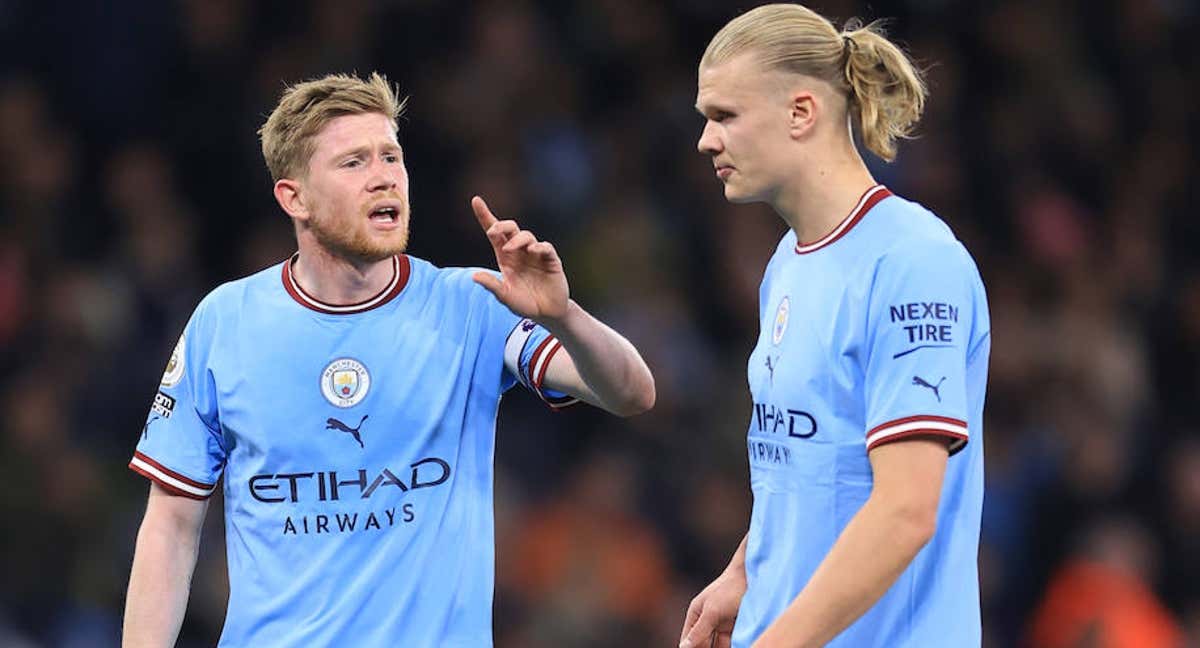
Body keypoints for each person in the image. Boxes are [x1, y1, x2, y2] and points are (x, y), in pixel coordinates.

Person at [122, 72, 655, 647]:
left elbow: (631, 393)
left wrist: (563, 315)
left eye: (391, 157)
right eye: (353, 163)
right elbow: (172, 526)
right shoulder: (224, 322)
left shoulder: (471, 304)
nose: (383, 178)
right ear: (293, 196)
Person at [679, 5, 989, 648]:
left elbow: (905, 511)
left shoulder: (912, 261)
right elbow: (812, 462)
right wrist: (746, 571)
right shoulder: (786, 263)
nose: (706, 140)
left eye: (724, 116)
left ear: (800, 112)